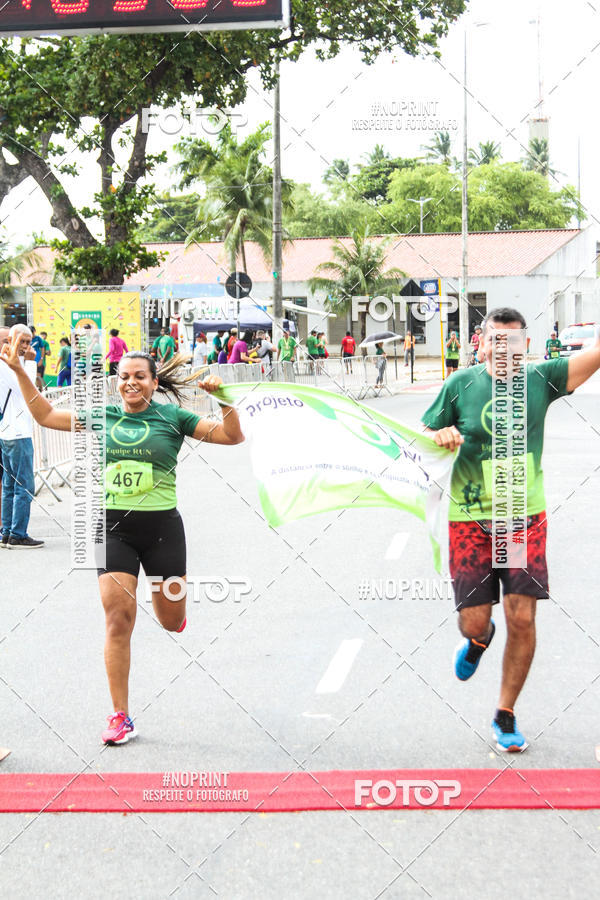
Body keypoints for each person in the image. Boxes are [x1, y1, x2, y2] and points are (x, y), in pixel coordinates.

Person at [1, 338, 244, 743]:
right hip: (111, 527)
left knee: (171, 622)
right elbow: (44, 415)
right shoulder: (103, 416)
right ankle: (120, 716)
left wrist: (224, 398)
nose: (131, 383)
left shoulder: (173, 417)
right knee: (118, 619)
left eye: (140, 377)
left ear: (154, 382)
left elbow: (231, 437)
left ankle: (173, 612)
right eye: (124, 376)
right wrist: (19, 370)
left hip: (163, 530)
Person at [421, 307, 600, 752]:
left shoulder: (542, 379)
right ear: (481, 344)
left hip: (520, 519)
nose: (504, 350)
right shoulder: (459, 386)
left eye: (513, 342)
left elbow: (596, 355)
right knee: (474, 621)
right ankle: (478, 640)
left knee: (521, 615)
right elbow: (422, 433)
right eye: (495, 341)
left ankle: (505, 712)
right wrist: (437, 435)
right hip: (469, 521)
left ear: (526, 346)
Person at [0, 324, 44, 549]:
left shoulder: (10, 364)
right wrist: (31, 362)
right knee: (23, 486)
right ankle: (17, 534)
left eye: (28, 341)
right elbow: (27, 390)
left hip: (9, 433)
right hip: (17, 434)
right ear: (11, 340)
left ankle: (7, 533)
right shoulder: (7, 365)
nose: (26, 346)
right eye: (22, 341)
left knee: (10, 486)